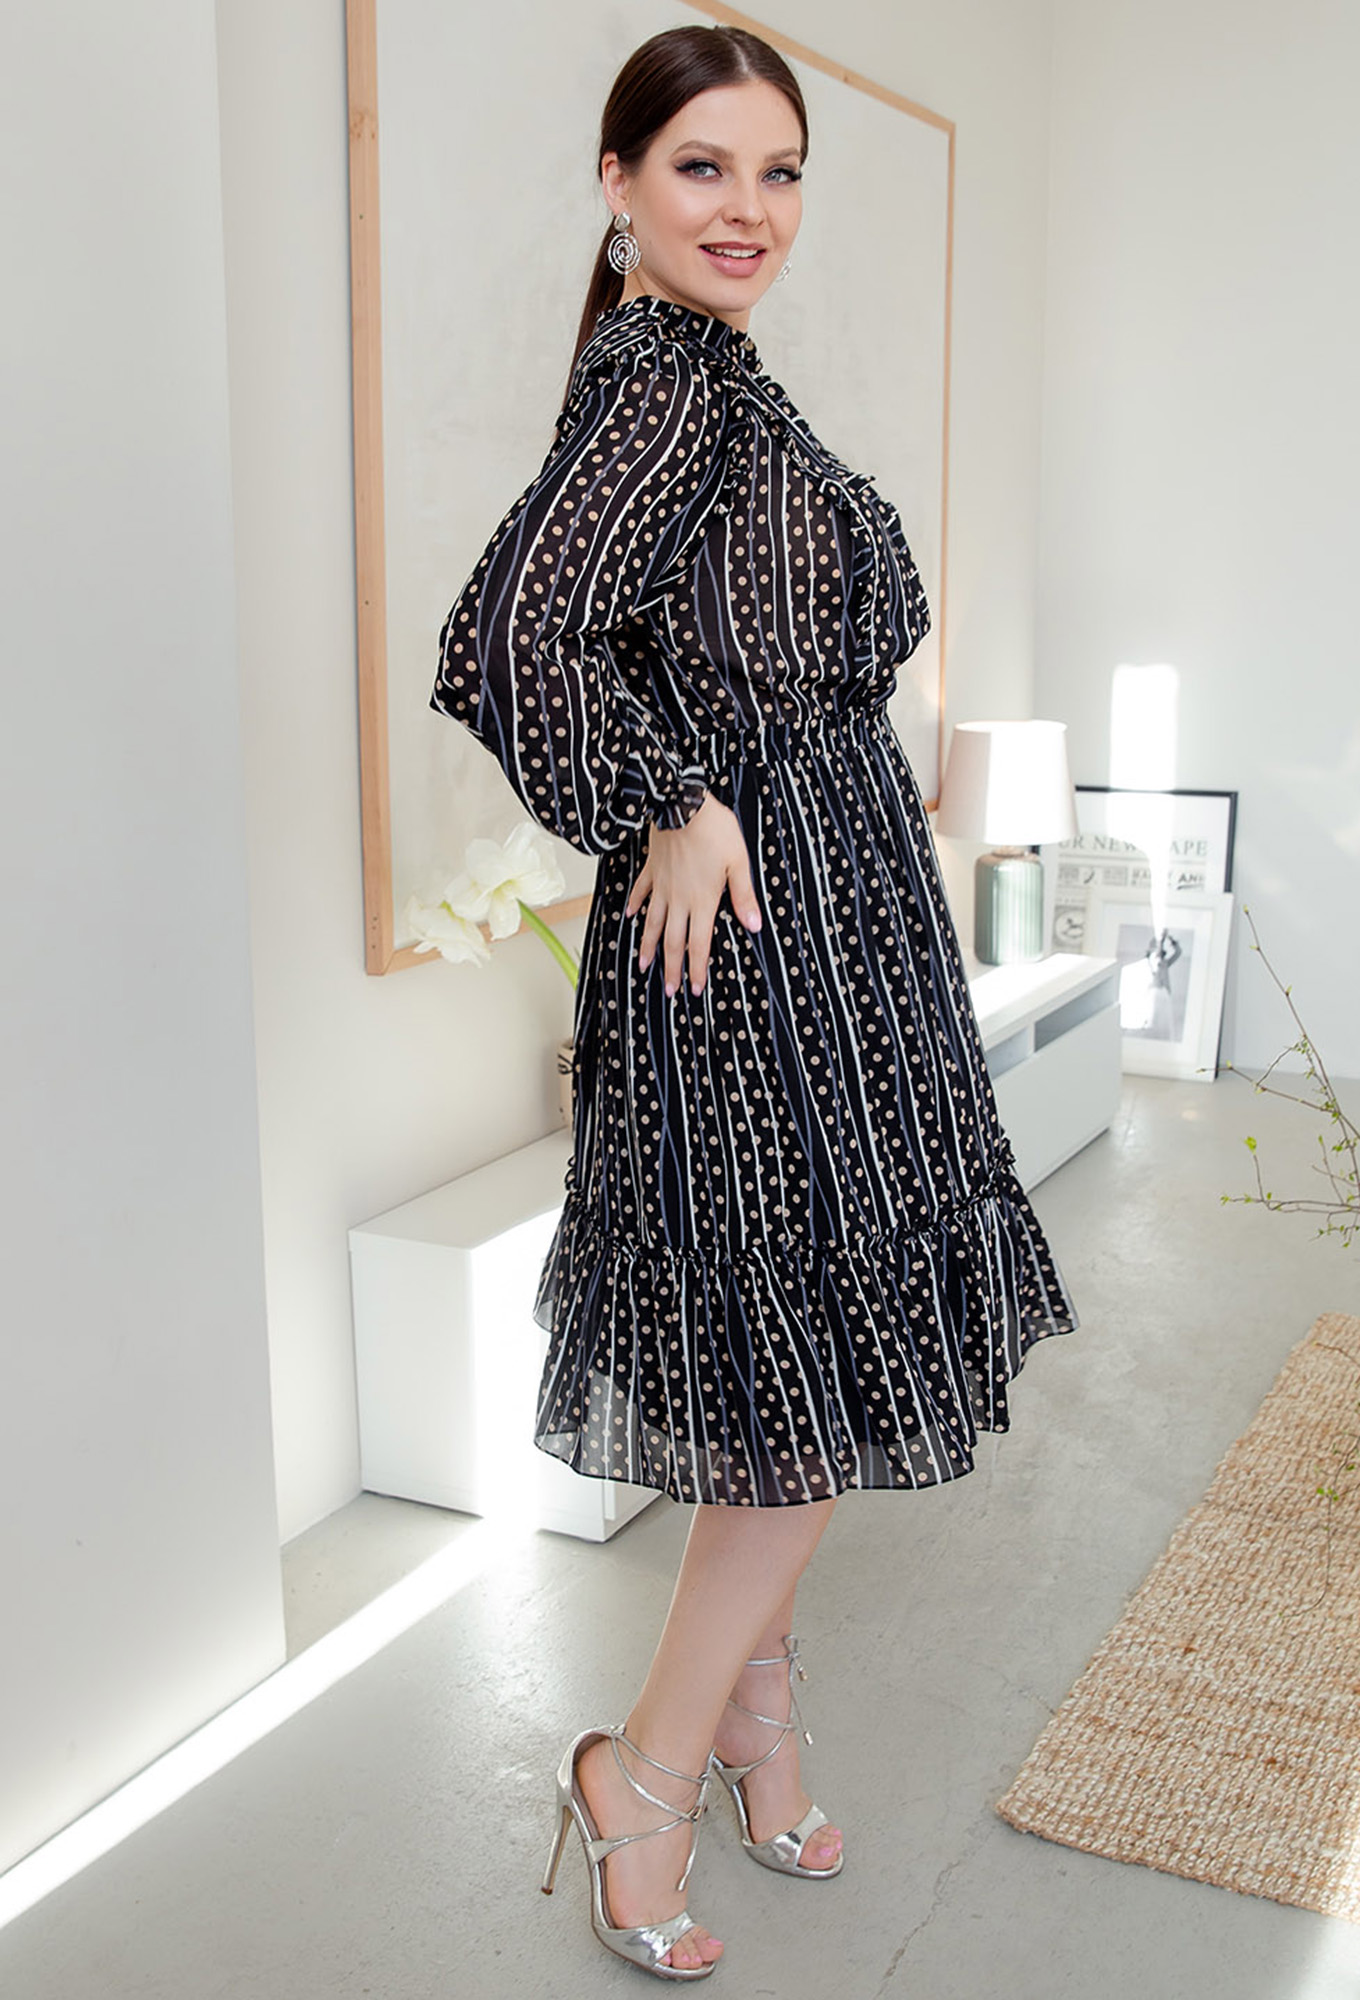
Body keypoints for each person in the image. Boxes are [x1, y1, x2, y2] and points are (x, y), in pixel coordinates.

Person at [429, 22, 1078, 1983]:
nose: (748, 209)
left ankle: (756, 1723)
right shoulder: (656, 386)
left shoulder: (723, 385)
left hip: (842, 931)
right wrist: (672, 800)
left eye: (778, 171)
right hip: (757, 967)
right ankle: (636, 1770)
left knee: (789, 1374)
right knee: (797, 1394)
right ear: (618, 183)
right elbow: (503, 639)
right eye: (702, 166)